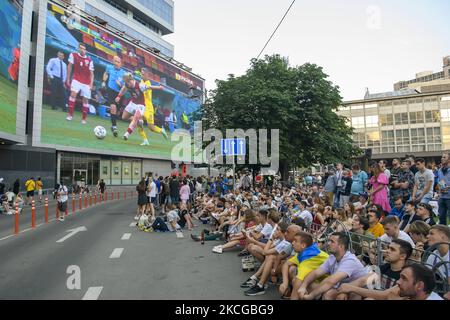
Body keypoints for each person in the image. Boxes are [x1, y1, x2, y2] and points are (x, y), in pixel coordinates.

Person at [298, 232, 367, 300]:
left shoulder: (350, 260)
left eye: (332, 242)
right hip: (341, 288)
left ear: (341, 246)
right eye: (328, 241)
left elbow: (331, 281)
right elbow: (315, 273)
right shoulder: (332, 257)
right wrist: (303, 286)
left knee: (329, 294)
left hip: (358, 292)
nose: (328, 244)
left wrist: (311, 296)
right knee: (309, 285)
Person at [337, 239, 413, 300]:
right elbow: (363, 280)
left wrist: (350, 288)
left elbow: (386, 295)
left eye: (392, 249)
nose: (387, 251)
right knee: (352, 294)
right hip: (376, 296)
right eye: (388, 248)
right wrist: (344, 291)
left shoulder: (405, 275)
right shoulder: (385, 267)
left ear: (402, 256)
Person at [338, 263, 443, 300]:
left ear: (419, 285)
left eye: (404, 278)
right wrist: (350, 288)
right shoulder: (411, 293)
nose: (398, 282)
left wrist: (350, 288)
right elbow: (385, 295)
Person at [287, 231, 330, 300]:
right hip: (319, 280)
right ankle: (289, 292)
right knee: (292, 269)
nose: (292, 243)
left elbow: (299, 281)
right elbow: (287, 263)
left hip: (327, 286)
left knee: (296, 282)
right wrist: (285, 283)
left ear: (303, 245)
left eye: (295, 241)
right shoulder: (306, 251)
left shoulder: (309, 257)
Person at [115, 73, 150, 145]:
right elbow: (123, 89)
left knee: (135, 119)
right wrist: (119, 96)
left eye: (128, 81)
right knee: (124, 117)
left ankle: (127, 134)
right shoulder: (127, 84)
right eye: (126, 82)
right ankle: (138, 120)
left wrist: (159, 87)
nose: (127, 83)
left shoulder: (140, 85)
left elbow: (150, 87)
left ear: (132, 80)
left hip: (141, 105)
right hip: (132, 103)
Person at [65, 43, 94, 124]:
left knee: (85, 100)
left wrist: (91, 84)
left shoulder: (89, 60)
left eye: (84, 49)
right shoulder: (73, 55)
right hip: (76, 79)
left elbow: (92, 74)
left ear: (86, 50)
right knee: (73, 94)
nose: (82, 50)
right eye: (81, 48)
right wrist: (68, 79)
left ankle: (84, 119)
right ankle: (70, 115)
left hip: (86, 82)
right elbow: (69, 66)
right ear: (78, 48)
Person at [140, 67, 168, 141]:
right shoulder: (141, 82)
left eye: (143, 74)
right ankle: (145, 140)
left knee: (151, 127)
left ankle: (161, 131)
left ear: (147, 75)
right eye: (141, 74)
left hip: (148, 108)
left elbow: (148, 87)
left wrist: (158, 87)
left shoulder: (147, 82)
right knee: (138, 120)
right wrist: (159, 87)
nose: (141, 75)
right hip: (142, 107)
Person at [102, 56, 126, 137]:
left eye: (118, 62)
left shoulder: (124, 73)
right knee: (113, 107)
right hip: (111, 90)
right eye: (115, 61)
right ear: (113, 61)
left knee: (117, 112)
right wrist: (104, 81)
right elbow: (105, 73)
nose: (116, 63)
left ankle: (113, 125)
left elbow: (125, 86)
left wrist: (120, 84)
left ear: (121, 64)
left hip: (119, 93)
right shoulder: (109, 67)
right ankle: (114, 126)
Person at [437, 152, 450, 225]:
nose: (442, 158)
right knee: (441, 217)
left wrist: (448, 187)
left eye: (444, 157)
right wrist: (439, 189)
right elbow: (439, 181)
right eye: (442, 157)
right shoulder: (439, 170)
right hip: (442, 196)